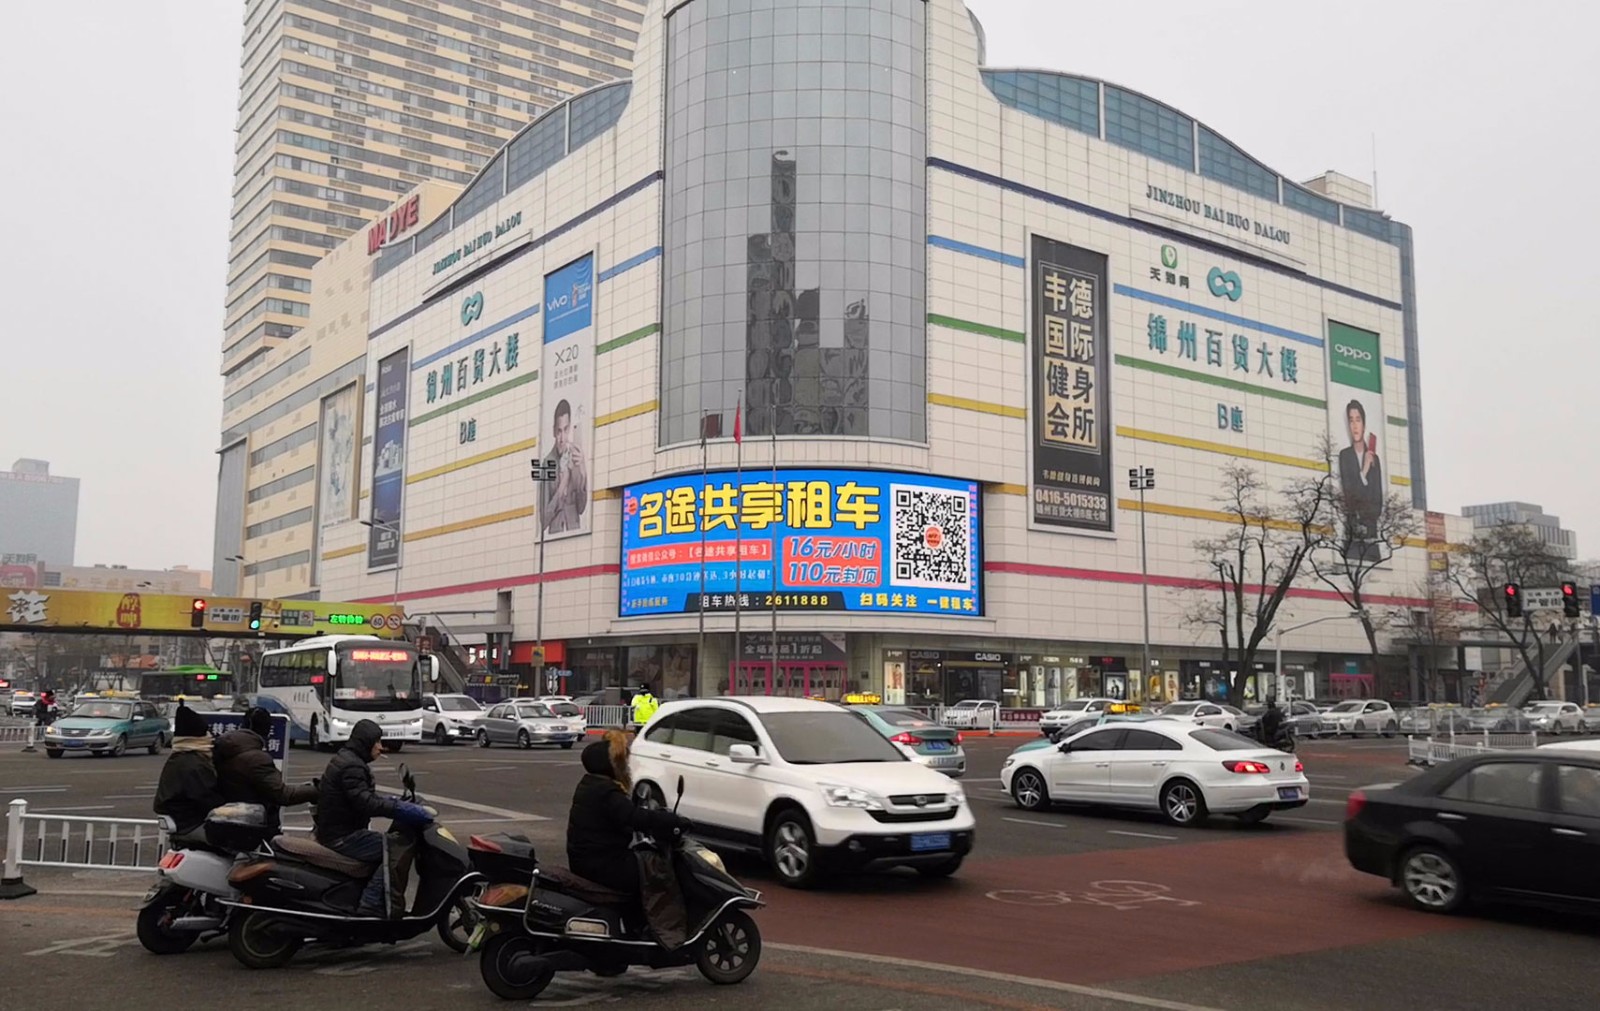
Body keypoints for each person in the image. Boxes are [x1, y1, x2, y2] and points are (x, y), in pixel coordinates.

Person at [314, 719, 432, 918]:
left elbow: (362, 796)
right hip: (342, 836)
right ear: (365, 742)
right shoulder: (352, 766)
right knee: (393, 848)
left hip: (336, 830)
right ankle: (371, 903)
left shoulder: (348, 759)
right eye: (376, 742)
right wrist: (398, 808)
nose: (380, 747)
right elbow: (366, 803)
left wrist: (394, 801)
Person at [565, 730, 687, 896]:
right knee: (658, 875)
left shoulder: (591, 784)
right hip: (601, 863)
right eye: (622, 761)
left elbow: (625, 815)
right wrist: (671, 820)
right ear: (610, 764)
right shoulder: (606, 791)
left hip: (589, 859)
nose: (626, 766)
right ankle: (655, 912)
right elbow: (633, 817)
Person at [215, 707, 317, 834]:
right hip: (254, 826)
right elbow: (283, 795)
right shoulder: (257, 759)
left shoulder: (222, 746)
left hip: (226, 820)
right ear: (268, 731)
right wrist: (315, 790)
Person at [153, 704, 225, 840]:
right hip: (190, 823)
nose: (210, 737)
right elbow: (206, 798)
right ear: (198, 738)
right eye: (206, 733)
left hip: (180, 821)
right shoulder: (194, 764)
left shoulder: (178, 758)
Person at [1335, 399, 1384, 540]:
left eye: (1358, 420)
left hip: (1371, 532)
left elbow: (1377, 501)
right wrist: (1364, 471)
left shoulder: (1374, 459)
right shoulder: (1345, 456)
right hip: (1352, 532)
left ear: (1364, 424)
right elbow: (1349, 495)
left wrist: (1366, 517)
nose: (1355, 426)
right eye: (1351, 421)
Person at [541, 398, 588, 534]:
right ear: (554, 432)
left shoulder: (576, 457)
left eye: (566, 430)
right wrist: (562, 487)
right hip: (555, 535)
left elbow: (581, 507)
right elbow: (543, 519)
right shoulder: (547, 463)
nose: (562, 438)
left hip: (575, 531)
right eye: (559, 431)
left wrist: (582, 472)